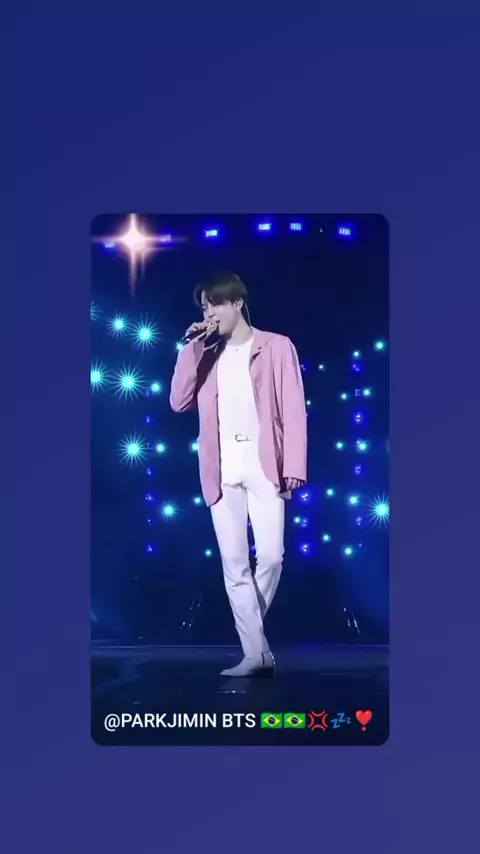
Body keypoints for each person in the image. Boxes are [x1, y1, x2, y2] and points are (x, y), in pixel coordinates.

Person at [169, 273, 307, 676]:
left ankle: (254, 642)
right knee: (234, 563)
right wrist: (192, 347)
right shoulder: (206, 353)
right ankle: (255, 654)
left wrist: (294, 465)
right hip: (222, 465)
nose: (209, 313)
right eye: (204, 306)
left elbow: (294, 409)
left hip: (265, 462)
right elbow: (178, 402)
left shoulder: (276, 346)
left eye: (215, 303)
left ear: (237, 304)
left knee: (272, 557)